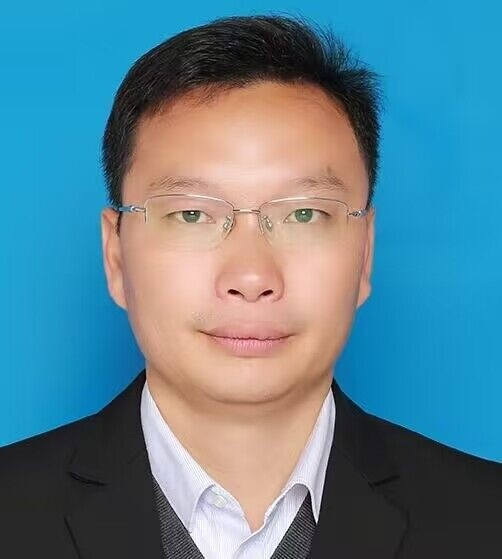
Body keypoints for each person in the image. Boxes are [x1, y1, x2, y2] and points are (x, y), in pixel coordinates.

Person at [1, 13, 501, 559]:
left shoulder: (485, 519)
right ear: (115, 255)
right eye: (192, 214)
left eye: (304, 214)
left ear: (364, 253)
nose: (251, 278)